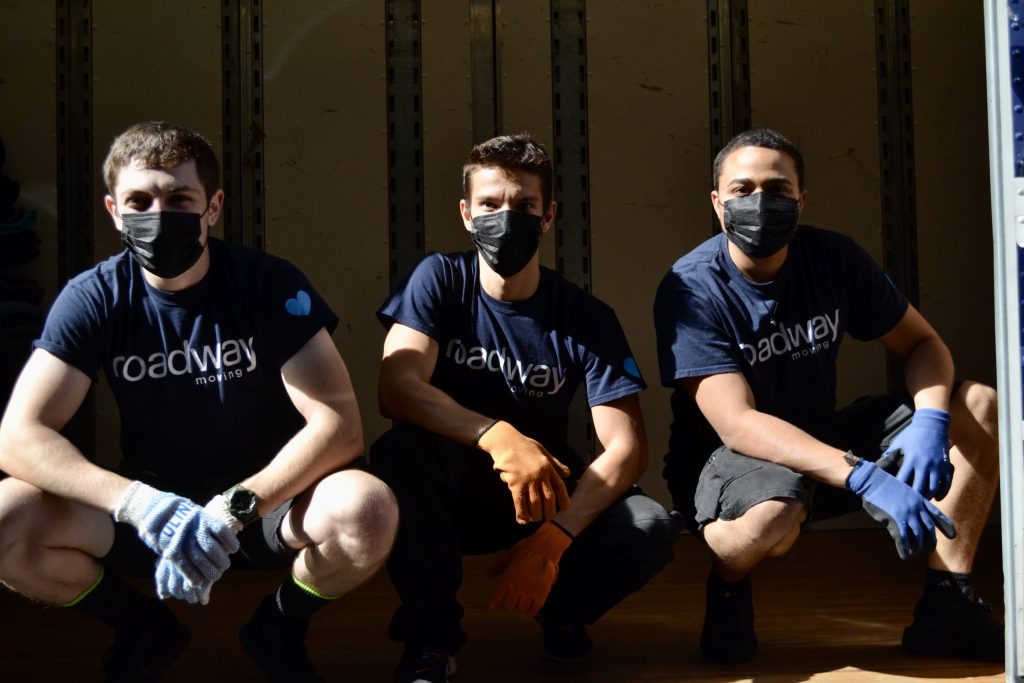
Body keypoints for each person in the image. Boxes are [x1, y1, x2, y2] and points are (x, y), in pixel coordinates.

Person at [0, 121, 399, 681]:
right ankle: (142, 627)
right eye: (139, 201)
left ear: (212, 207)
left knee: (368, 508)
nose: (158, 214)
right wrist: (141, 505)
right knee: (6, 518)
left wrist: (235, 508)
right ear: (114, 211)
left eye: (179, 199)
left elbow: (339, 424)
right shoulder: (95, 297)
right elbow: (19, 436)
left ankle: (278, 627)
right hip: (153, 510)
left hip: (266, 506)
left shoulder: (267, 282)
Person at [654, 128, 1002, 664]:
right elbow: (738, 423)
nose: (760, 203)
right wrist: (863, 476)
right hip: (727, 464)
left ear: (801, 199)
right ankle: (728, 585)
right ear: (717, 203)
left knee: (978, 404)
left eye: (777, 188)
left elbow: (922, 344)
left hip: (822, 443)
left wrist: (932, 422)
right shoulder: (692, 286)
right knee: (775, 514)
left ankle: (947, 607)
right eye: (743, 190)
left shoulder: (832, 257)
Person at [369, 133, 675, 683]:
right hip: (453, 491)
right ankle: (430, 641)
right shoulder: (439, 279)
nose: (505, 218)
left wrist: (555, 538)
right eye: (489, 204)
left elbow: (628, 448)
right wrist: (496, 436)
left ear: (548, 215)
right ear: (466, 214)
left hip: (541, 494)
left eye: (524, 206)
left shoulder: (585, 316)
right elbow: (397, 387)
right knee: (400, 452)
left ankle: (561, 611)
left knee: (648, 527)